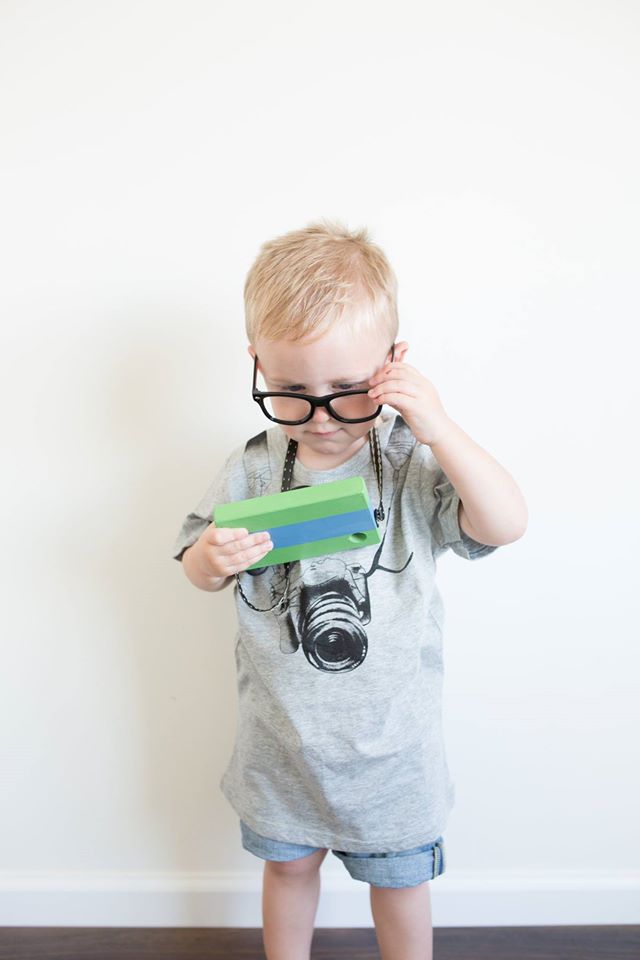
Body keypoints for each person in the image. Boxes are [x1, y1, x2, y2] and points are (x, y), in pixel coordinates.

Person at [171, 219, 528, 960]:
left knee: (400, 885)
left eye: (348, 389)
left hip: (393, 756)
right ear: (257, 363)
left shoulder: (408, 462)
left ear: (393, 365)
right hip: (281, 748)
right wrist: (211, 556)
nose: (321, 416)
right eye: (291, 391)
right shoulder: (253, 468)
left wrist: (439, 426)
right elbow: (196, 569)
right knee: (288, 868)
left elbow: (505, 523)